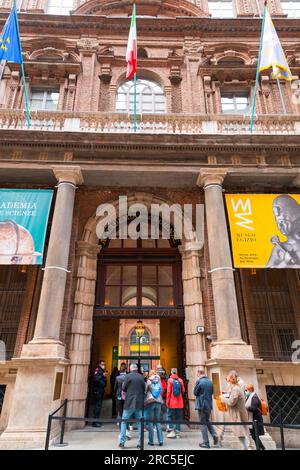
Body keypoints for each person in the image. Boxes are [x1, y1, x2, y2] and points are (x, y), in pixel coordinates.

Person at [266, 195, 300, 268]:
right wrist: (285, 262)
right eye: (279, 222)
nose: (281, 225)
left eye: (285, 222)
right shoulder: (278, 249)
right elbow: (268, 270)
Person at [118, 363, 146, 449]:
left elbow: (124, 388)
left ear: (130, 369)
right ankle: (140, 443)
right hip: (138, 403)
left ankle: (122, 442)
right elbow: (144, 388)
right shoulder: (141, 377)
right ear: (137, 369)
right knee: (139, 423)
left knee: (123, 421)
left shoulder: (128, 376)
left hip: (129, 402)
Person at [221, 370, 249, 450]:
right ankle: (245, 448)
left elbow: (231, 402)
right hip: (237, 414)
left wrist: (223, 399)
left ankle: (246, 448)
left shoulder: (236, 389)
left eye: (228, 379)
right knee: (240, 433)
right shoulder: (235, 388)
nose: (227, 381)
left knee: (241, 432)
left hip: (238, 414)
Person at [193, 369, 219, 449]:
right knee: (207, 420)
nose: (197, 375)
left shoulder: (199, 381)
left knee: (202, 423)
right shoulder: (210, 381)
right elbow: (212, 392)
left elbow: (195, 392)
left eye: (197, 373)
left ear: (199, 373)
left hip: (201, 404)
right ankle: (214, 434)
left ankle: (206, 442)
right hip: (208, 404)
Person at [145, 370, 164, 446]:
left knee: (150, 422)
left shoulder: (149, 380)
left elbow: (146, 390)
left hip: (151, 401)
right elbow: (161, 390)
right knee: (158, 421)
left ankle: (151, 441)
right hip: (158, 401)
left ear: (150, 374)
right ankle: (161, 440)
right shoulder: (159, 379)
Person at [244, 384, 265, 450]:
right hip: (252, 419)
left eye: (246, 390)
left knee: (255, 435)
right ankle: (262, 448)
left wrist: (245, 408)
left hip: (256, 419)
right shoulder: (250, 396)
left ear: (250, 389)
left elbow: (253, 408)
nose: (245, 392)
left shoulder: (254, 397)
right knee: (254, 436)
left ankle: (260, 448)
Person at [166, 367, 185, 438]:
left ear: (171, 372)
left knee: (170, 416)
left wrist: (167, 401)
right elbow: (183, 390)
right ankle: (178, 432)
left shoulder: (170, 380)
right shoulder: (180, 380)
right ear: (176, 372)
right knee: (178, 417)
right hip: (179, 402)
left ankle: (171, 431)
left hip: (171, 402)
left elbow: (168, 392)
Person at [92, 359, 107, 427]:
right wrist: (103, 376)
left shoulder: (101, 370)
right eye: (102, 364)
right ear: (99, 364)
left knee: (98, 406)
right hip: (97, 390)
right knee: (97, 406)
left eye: (104, 364)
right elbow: (96, 379)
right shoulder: (98, 370)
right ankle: (95, 422)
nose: (103, 365)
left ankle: (96, 420)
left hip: (100, 390)